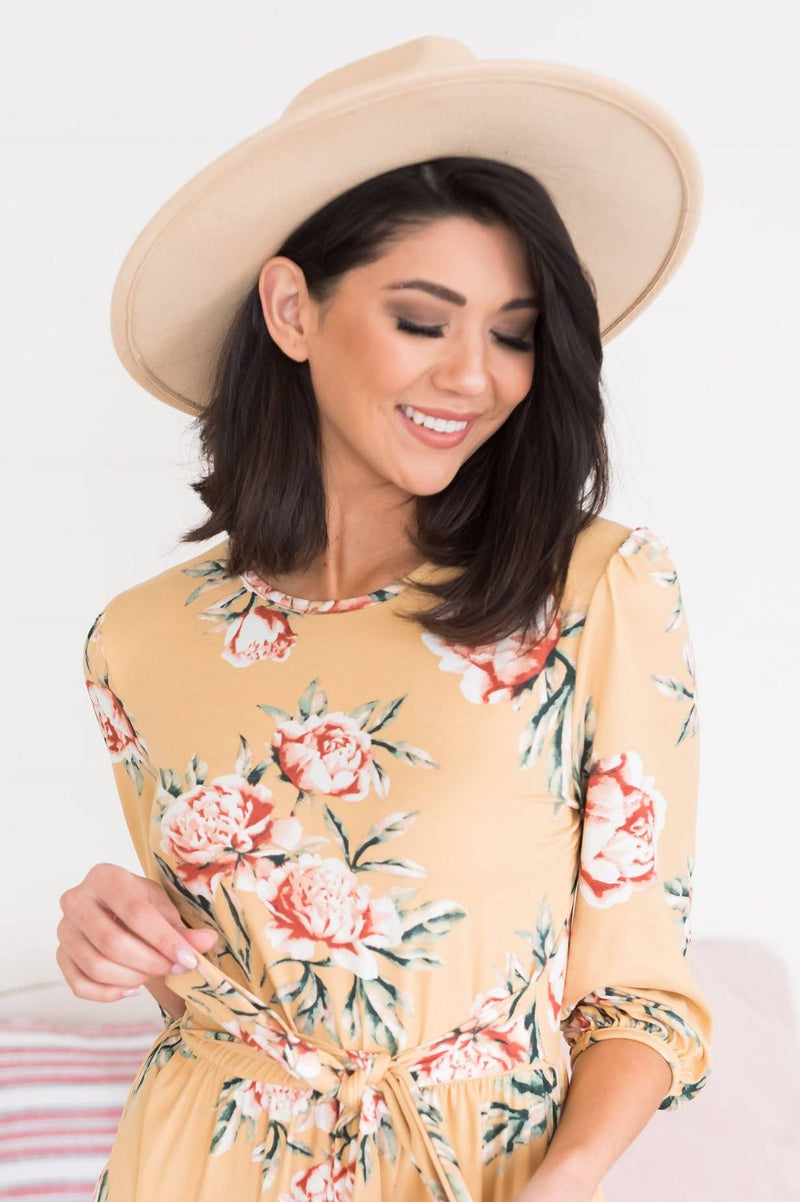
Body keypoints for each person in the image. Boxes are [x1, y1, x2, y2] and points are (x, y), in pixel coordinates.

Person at [59, 35, 714, 1202]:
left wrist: (565, 1178)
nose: (474, 375)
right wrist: (120, 937)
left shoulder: (593, 588)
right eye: (423, 319)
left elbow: (640, 997)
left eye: (511, 333)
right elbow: (224, 996)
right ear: (291, 309)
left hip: (478, 1173)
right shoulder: (139, 638)